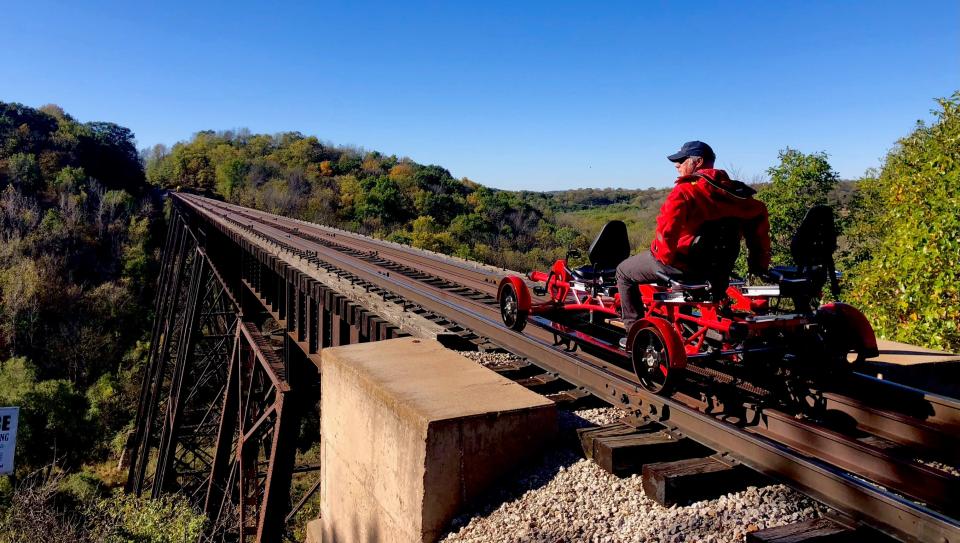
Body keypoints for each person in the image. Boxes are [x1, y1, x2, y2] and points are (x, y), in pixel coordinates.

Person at [616, 141, 770, 336]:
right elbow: (760, 237)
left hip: (684, 266)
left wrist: (664, 261)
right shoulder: (742, 198)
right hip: (718, 270)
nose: (677, 165)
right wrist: (758, 266)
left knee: (623, 271)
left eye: (681, 160)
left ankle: (633, 331)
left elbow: (666, 233)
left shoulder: (686, 191)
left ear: (698, 162)